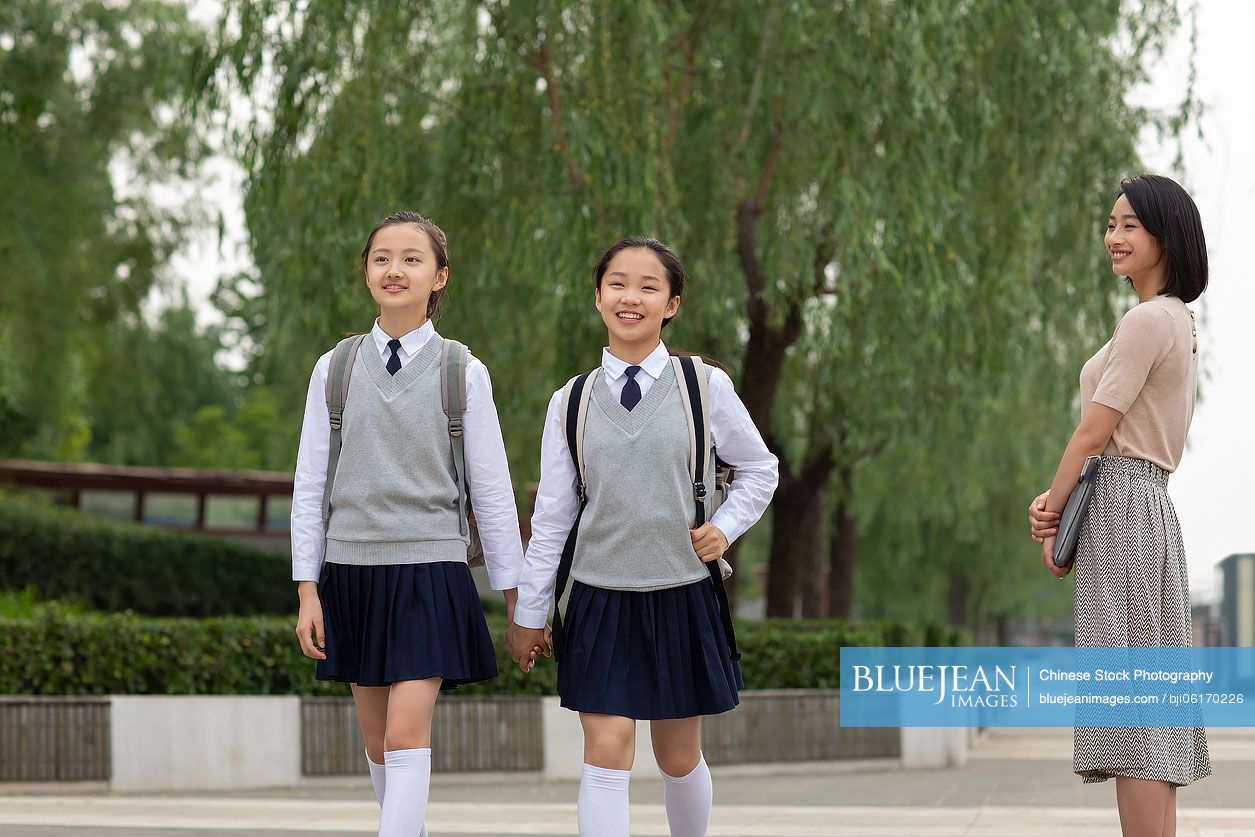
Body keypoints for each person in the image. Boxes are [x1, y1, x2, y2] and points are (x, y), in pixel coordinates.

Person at [508, 236, 778, 837]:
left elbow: (761, 469)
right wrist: (529, 612)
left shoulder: (702, 386)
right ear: (599, 296)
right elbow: (553, 515)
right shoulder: (569, 402)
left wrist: (725, 528)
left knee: (677, 757)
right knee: (606, 749)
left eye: (649, 286)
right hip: (597, 595)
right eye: (618, 284)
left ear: (672, 304)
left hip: (682, 589)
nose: (631, 297)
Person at [291, 211, 528, 837]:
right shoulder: (334, 369)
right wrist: (307, 590)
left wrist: (518, 602)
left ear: (439, 276)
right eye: (382, 258)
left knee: (404, 731)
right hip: (350, 571)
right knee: (376, 741)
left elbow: (494, 493)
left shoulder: (462, 372)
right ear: (367, 272)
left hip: (431, 571)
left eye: (412, 258)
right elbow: (311, 486)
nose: (395, 269)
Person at [1029, 175, 1211, 836]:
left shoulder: (1147, 319)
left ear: (1165, 234)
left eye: (1129, 224)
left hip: (1123, 508)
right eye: (1110, 224)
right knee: (1148, 715)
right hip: (1144, 507)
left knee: (1133, 717)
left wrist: (1051, 515)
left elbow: (1091, 431)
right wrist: (1057, 496)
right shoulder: (1173, 320)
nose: (1113, 236)